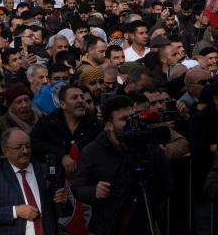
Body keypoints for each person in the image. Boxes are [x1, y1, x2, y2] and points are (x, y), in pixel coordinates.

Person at [71, 95, 173, 235]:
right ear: (109, 125)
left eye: (133, 117)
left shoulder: (148, 146)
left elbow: (166, 185)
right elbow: (77, 188)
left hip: (145, 222)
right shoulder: (92, 151)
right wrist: (94, 191)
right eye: (124, 119)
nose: (131, 123)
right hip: (108, 224)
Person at [0, 128, 68, 235]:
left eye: (27, 146)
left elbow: (61, 213)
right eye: (19, 147)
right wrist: (15, 211)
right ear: (5, 151)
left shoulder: (43, 171)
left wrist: (63, 202)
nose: (25, 151)